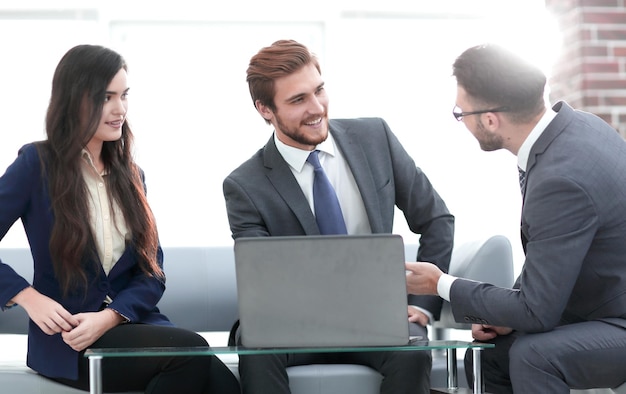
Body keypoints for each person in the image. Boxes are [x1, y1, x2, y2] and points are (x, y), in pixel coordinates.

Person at [0, 44, 240, 394]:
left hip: (127, 325)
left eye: (124, 95)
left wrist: (110, 317)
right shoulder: (36, 164)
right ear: (75, 99)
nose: (120, 109)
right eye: (107, 97)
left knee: (226, 385)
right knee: (191, 354)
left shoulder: (131, 175)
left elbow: (152, 271)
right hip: (71, 340)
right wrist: (26, 296)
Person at [222, 39, 455, 394]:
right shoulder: (245, 185)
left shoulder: (374, 138)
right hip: (291, 324)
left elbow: (436, 219)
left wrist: (421, 306)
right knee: (255, 346)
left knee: (412, 351)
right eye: (298, 100)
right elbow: (263, 279)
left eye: (319, 91)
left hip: (377, 318)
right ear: (265, 110)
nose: (317, 108)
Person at [405, 43, 626, 393]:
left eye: (460, 114)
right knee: (493, 352)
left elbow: (537, 312)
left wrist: (439, 284)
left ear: (490, 120)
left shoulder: (560, 178)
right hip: (603, 302)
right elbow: (549, 258)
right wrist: (503, 317)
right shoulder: (574, 128)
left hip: (617, 318)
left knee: (533, 354)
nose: (461, 121)